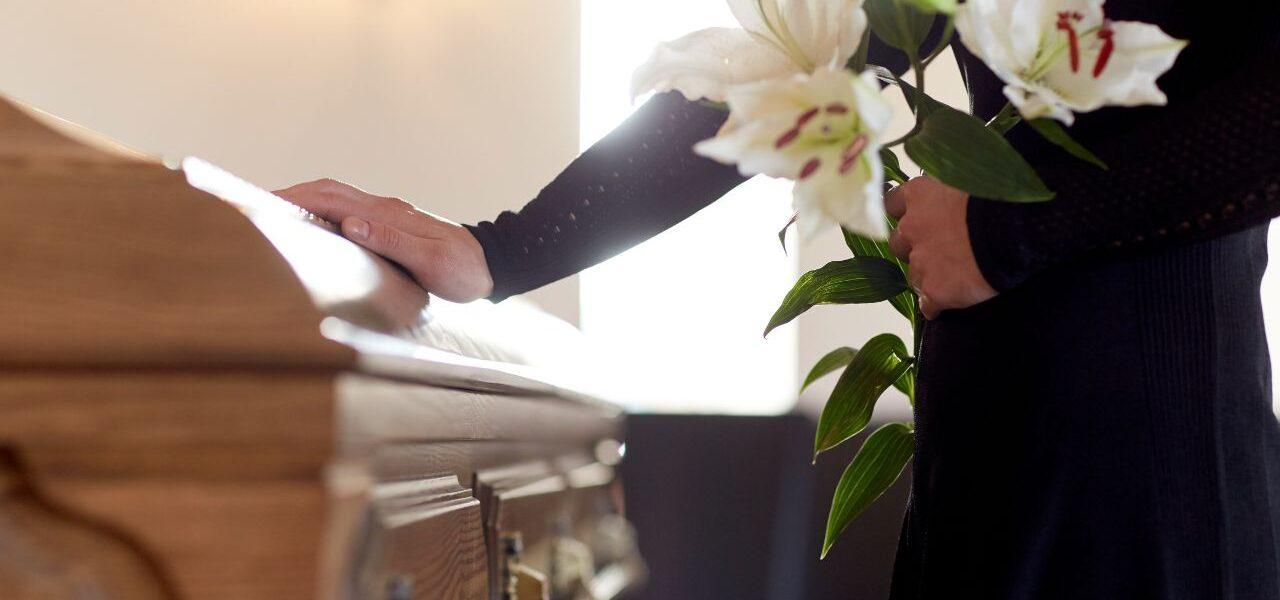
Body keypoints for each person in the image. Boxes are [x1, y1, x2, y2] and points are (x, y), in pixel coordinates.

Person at [277, 1, 1280, 597]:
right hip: (988, 433)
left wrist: (1014, 227)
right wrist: (501, 249)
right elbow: (790, 60)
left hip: (1158, 455)